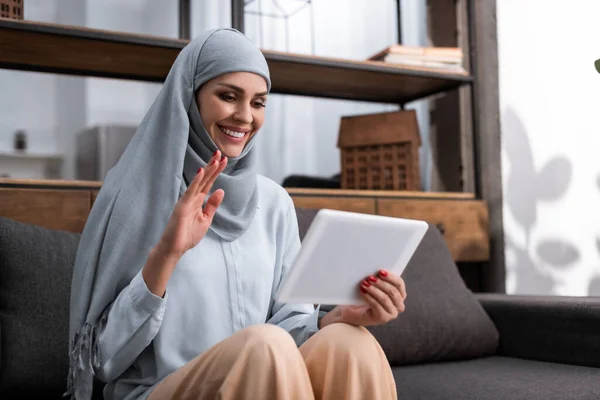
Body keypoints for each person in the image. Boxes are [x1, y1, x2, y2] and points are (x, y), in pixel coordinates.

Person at [66, 28, 406, 400]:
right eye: (228, 97)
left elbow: (287, 328)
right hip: (161, 391)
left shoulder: (274, 202)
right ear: (190, 98)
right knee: (265, 346)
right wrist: (167, 254)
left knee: (348, 343)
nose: (245, 117)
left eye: (258, 103)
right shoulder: (133, 196)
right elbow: (101, 361)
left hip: (266, 375)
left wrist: (337, 317)